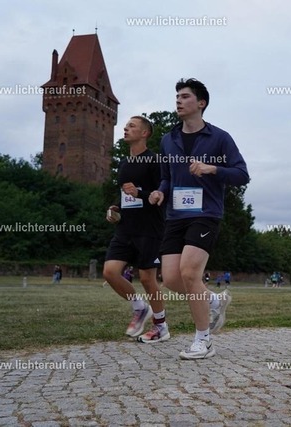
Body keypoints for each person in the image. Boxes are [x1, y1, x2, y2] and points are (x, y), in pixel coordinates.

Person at [149, 78, 249, 359]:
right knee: (170, 279)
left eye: (185, 97)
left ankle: (203, 340)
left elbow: (242, 174)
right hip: (175, 215)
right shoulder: (168, 140)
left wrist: (212, 169)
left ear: (201, 103)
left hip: (206, 213)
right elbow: (166, 177)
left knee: (190, 274)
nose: (178, 101)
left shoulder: (220, 137)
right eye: (177, 97)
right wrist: (159, 191)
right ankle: (214, 300)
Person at [103, 116, 169, 343]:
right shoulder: (123, 163)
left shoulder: (155, 161)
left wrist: (140, 194)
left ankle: (161, 327)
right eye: (126, 126)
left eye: (132, 126)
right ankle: (140, 307)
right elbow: (126, 194)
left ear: (145, 133)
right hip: (125, 227)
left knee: (148, 279)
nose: (125, 128)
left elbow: (161, 195)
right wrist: (115, 208)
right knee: (110, 272)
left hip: (149, 227)